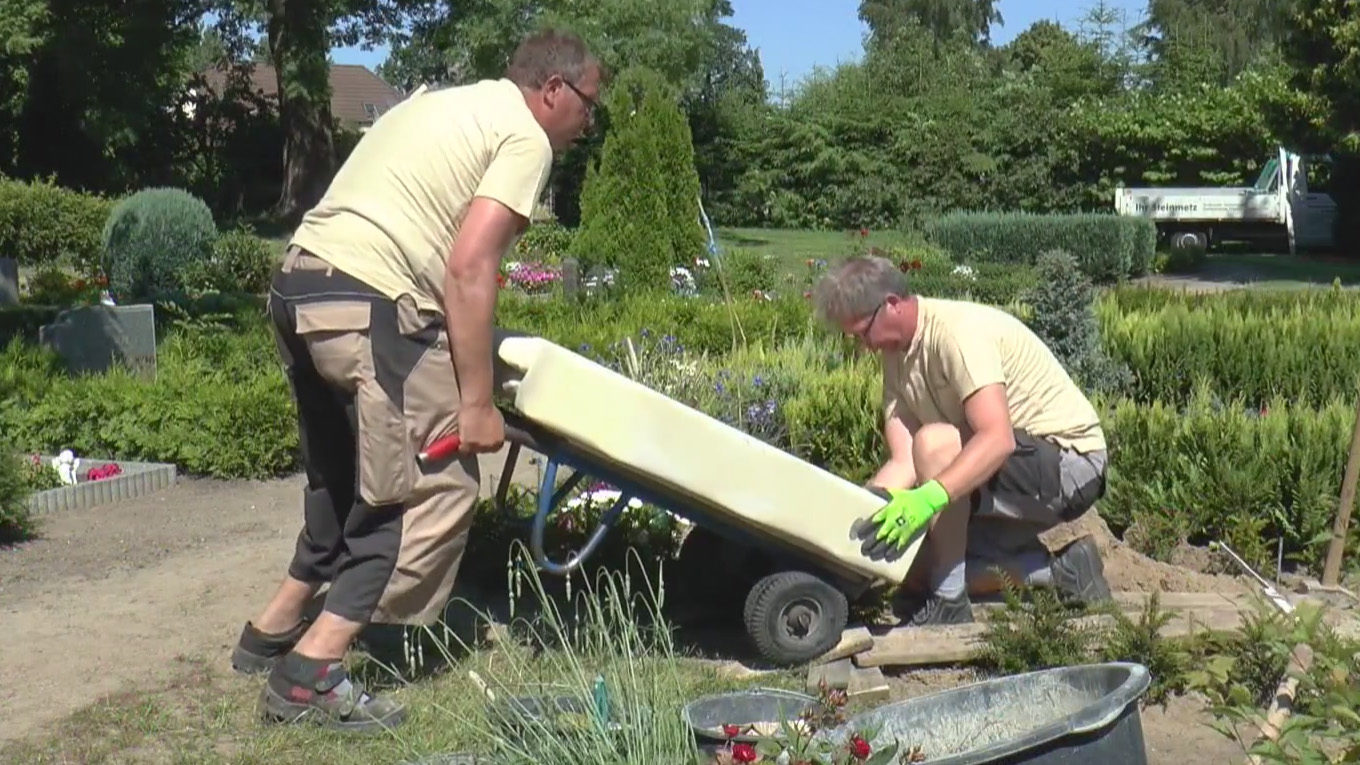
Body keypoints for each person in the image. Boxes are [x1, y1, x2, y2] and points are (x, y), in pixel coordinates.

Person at [227, 29, 604, 732]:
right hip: (370, 302)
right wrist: (476, 402)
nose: (588, 123)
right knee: (420, 487)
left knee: (337, 477)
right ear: (553, 90)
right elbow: (468, 268)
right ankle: (311, 672)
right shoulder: (526, 138)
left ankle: (272, 627)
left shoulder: (435, 103)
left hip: (299, 285)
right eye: (589, 105)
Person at [812, 255, 1113, 627]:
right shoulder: (895, 354)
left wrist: (930, 497)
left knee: (935, 444)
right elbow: (904, 461)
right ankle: (1062, 572)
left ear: (891, 304)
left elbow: (997, 439)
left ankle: (949, 602)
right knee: (910, 565)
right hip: (1004, 472)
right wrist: (855, 526)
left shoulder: (957, 333)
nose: (863, 347)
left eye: (862, 333)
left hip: (1070, 467)